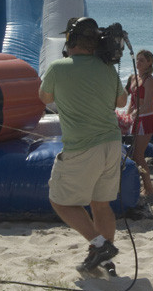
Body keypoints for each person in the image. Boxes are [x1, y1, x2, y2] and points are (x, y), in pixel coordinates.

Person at [39, 17, 128, 273]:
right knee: (101, 204)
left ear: (71, 40)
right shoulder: (107, 68)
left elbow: (44, 97)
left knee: (60, 201)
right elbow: (121, 102)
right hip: (112, 144)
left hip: (82, 146)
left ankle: (99, 245)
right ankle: (105, 259)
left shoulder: (58, 67)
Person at [126, 50, 153, 196]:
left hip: (146, 119)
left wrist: (134, 114)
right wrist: (127, 116)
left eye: (142, 60)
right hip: (135, 118)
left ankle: (149, 187)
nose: (138, 62)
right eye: (137, 60)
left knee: (139, 155)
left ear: (149, 63)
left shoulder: (150, 80)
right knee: (133, 154)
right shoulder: (133, 77)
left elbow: (147, 103)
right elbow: (130, 100)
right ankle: (142, 185)